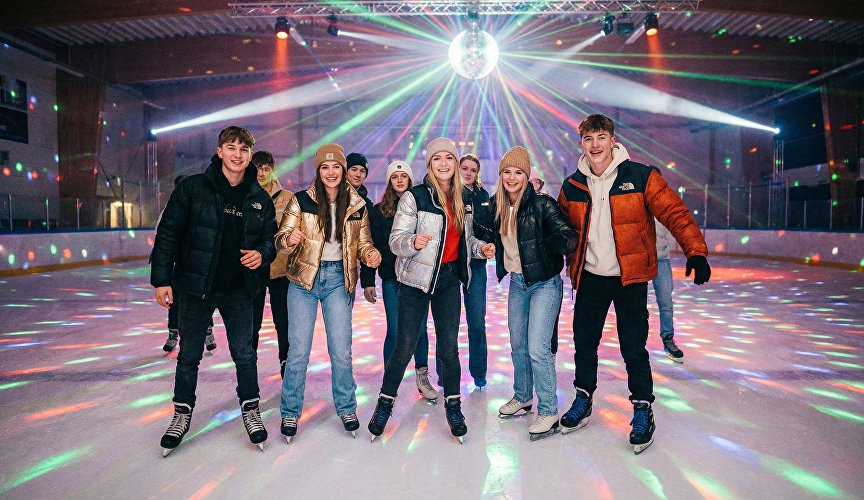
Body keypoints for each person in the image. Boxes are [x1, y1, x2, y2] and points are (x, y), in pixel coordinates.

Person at [557, 114, 711, 454]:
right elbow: (559, 228)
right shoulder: (573, 185)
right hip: (590, 277)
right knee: (584, 342)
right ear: (581, 144)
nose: (595, 145)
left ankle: (642, 407)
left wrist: (696, 251)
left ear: (613, 140)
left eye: (601, 137)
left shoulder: (640, 176)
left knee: (633, 347)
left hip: (630, 277)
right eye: (588, 139)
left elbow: (675, 212)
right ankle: (583, 397)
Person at [150, 126, 276, 456]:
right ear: (220, 152)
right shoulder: (193, 188)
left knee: (245, 354)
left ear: (250, 155)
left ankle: (251, 409)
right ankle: (181, 413)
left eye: (244, 149)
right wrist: (161, 279)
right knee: (189, 355)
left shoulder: (259, 198)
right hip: (195, 287)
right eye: (231, 147)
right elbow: (168, 234)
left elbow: (270, 240)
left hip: (239, 290)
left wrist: (262, 253)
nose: (237, 154)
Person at [367, 137, 494, 444]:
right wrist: (412, 242)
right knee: (404, 346)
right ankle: (384, 404)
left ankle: (454, 407)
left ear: (456, 163)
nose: (443, 164)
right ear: (429, 164)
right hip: (416, 281)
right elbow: (395, 241)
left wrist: (481, 248)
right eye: (437, 159)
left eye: (449, 158)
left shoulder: (464, 198)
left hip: (448, 280)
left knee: (449, 347)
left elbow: (465, 241)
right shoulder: (415, 197)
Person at [275, 143, 381, 443]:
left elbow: (363, 243)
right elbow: (280, 239)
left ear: (343, 170)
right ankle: (290, 411)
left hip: (338, 280)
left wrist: (370, 254)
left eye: (336, 167)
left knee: (341, 350)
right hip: (303, 281)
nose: (331, 172)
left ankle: (346, 407)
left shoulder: (357, 204)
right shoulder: (301, 201)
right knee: (298, 352)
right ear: (318, 170)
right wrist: (289, 239)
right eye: (325, 167)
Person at [490, 147, 577, 441]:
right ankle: (523, 396)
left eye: (518, 172)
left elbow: (568, 236)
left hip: (544, 284)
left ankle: (549, 410)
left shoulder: (542, 204)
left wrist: (553, 239)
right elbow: (485, 234)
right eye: (507, 172)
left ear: (527, 177)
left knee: (538, 348)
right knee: (518, 345)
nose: (512, 178)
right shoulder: (498, 207)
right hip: (518, 283)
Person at [359, 160, 438, 402]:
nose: (400, 180)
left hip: (416, 279)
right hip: (392, 279)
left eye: (404, 176)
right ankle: (389, 380)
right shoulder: (378, 211)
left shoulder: (421, 207)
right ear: (389, 181)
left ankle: (422, 376)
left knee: (419, 330)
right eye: (395, 176)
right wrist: (368, 280)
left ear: (410, 179)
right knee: (395, 330)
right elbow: (371, 246)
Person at [161, 174, 217, 354]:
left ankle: (207, 330)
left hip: (200, 266)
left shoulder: (204, 208)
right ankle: (173, 333)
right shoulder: (170, 210)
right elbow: (163, 238)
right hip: (178, 267)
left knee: (203, 299)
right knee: (175, 301)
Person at [251, 151, 294, 377]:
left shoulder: (287, 198)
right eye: (257, 168)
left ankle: (286, 360)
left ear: (273, 170)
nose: (261, 173)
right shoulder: (244, 195)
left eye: (266, 168)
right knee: (252, 321)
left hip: (280, 268)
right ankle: (249, 362)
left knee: (283, 320)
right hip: (253, 268)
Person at [457, 153, 491, 389]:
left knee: (477, 322)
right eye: (465, 168)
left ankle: (479, 372)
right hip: (450, 266)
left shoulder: (482, 196)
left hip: (476, 265)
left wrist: (487, 244)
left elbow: (487, 229)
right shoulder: (447, 192)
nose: (468, 172)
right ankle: (445, 374)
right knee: (447, 325)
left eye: (473, 170)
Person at [652, 220, 684, 362]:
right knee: (635, 303)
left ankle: (668, 339)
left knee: (666, 301)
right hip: (639, 257)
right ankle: (634, 341)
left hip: (661, 258)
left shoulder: (664, 208)